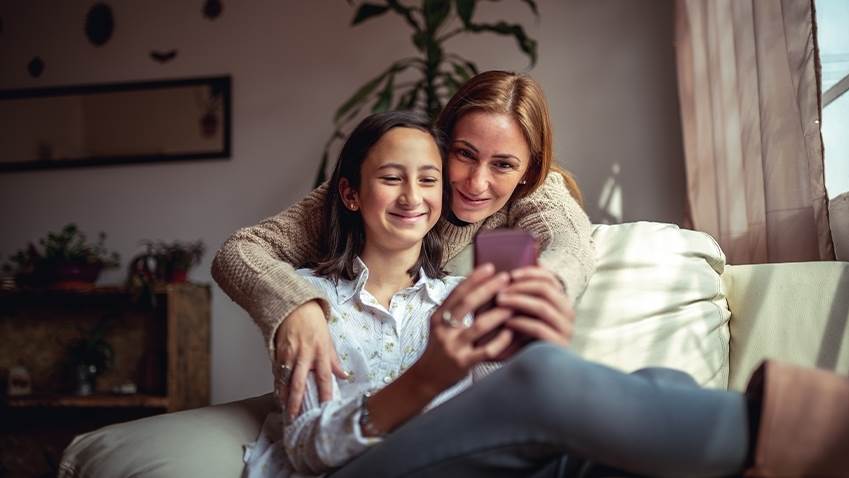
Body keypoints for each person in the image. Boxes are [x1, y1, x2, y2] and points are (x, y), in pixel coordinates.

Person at [242, 110, 751, 478]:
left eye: (428, 180)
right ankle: (783, 429)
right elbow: (309, 449)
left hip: (471, 463)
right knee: (551, 382)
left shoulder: (459, 298)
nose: (412, 196)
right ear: (351, 194)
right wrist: (426, 380)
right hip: (360, 469)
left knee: (661, 385)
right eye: (392, 178)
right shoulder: (306, 302)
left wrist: (536, 340)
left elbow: (512, 405)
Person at [212, 70, 594, 418]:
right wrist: (296, 306)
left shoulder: (534, 192)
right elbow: (241, 250)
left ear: (528, 170)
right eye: (464, 154)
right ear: (440, 145)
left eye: (503, 165)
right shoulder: (381, 189)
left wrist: (544, 291)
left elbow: (570, 245)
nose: (477, 183)